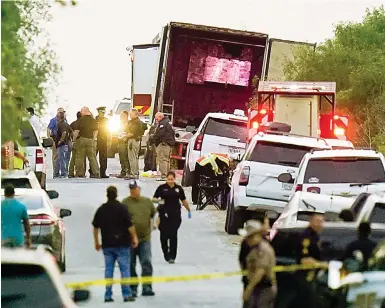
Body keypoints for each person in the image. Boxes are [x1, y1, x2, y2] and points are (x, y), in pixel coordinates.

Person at [92, 186, 139, 303]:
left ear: (107, 195)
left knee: (108, 270)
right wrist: (134, 238)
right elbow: (130, 226)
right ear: (116, 194)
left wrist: (97, 242)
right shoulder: (122, 209)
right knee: (124, 270)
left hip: (108, 244)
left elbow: (95, 227)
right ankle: (127, 294)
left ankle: (108, 295)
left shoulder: (102, 209)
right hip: (122, 244)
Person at [276, 213, 327, 308]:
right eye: (318, 221)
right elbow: (305, 259)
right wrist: (321, 264)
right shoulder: (306, 237)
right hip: (304, 276)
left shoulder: (316, 236)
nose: (321, 224)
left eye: (322, 222)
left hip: (311, 276)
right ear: (311, 221)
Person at [122, 180, 156, 297]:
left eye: (134, 189)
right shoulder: (125, 203)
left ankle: (147, 287)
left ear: (139, 189)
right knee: (130, 264)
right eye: (131, 189)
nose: (133, 191)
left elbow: (154, 214)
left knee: (146, 262)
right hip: (129, 240)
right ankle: (133, 288)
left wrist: (155, 224)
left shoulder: (147, 202)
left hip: (145, 238)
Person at [153, 171, 191, 263]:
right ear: (166, 179)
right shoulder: (162, 188)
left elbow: (183, 200)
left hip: (175, 215)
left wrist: (189, 210)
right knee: (164, 236)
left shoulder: (178, 188)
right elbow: (154, 199)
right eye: (169, 179)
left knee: (173, 235)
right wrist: (161, 202)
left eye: (172, 179)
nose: (170, 181)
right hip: (163, 215)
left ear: (175, 179)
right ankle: (166, 253)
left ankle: (172, 256)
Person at [240, 220, 276, 308]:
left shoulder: (263, 250)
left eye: (249, 237)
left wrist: (249, 289)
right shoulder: (253, 248)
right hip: (255, 287)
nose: (247, 240)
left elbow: (260, 271)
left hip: (263, 289)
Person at [75, 106, 100, 178]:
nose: (81, 113)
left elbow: (77, 131)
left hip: (82, 139)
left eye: (82, 111)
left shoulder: (80, 120)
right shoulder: (93, 120)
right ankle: (96, 173)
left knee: (80, 157)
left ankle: (80, 173)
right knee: (92, 157)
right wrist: (93, 139)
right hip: (90, 140)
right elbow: (96, 131)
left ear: (85, 111)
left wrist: (74, 139)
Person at [152, 112, 175, 180]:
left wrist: (153, 138)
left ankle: (164, 175)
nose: (157, 120)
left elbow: (159, 134)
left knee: (162, 159)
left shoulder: (163, 123)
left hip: (163, 144)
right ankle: (167, 175)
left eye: (157, 119)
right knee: (167, 160)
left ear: (160, 117)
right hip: (168, 144)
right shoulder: (168, 122)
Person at [126, 109, 143, 179]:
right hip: (135, 141)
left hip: (133, 141)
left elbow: (132, 133)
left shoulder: (136, 122)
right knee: (135, 158)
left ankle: (133, 174)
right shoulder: (135, 121)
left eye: (131, 114)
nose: (130, 115)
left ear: (135, 114)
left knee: (132, 158)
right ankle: (135, 173)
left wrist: (123, 136)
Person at [48, 107, 65, 174]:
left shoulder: (64, 120)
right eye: (61, 112)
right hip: (55, 138)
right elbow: (48, 129)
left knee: (62, 156)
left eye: (63, 112)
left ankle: (62, 172)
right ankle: (56, 172)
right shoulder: (53, 120)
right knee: (55, 156)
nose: (62, 113)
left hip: (62, 139)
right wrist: (49, 138)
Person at [54, 111, 71, 178]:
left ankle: (63, 173)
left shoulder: (60, 124)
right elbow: (71, 132)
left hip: (61, 145)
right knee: (59, 159)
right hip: (64, 144)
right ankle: (57, 173)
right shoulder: (66, 124)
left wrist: (60, 140)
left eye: (57, 116)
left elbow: (64, 133)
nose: (56, 118)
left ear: (59, 117)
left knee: (61, 159)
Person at [95, 106, 109, 178]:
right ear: (98, 112)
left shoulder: (106, 120)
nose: (103, 113)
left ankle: (103, 173)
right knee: (93, 157)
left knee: (103, 157)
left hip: (103, 140)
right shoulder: (94, 119)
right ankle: (93, 172)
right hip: (96, 140)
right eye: (102, 112)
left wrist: (109, 140)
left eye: (104, 112)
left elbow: (109, 131)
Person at [68, 111, 83, 178]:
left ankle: (70, 172)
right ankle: (78, 172)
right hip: (78, 141)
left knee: (73, 158)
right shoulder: (81, 123)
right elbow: (76, 132)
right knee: (79, 157)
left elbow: (68, 132)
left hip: (73, 141)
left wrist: (71, 141)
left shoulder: (73, 123)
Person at [117, 111, 130, 178]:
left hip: (125, 142)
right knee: (121, 158)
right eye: (121, 116)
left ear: (126, 116)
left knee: (125, 158)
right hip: (120, 142)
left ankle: (127, 171)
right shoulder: (120, 124)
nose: (121, 117)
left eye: (122, 116)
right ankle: (123, 171)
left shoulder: (129, 123)